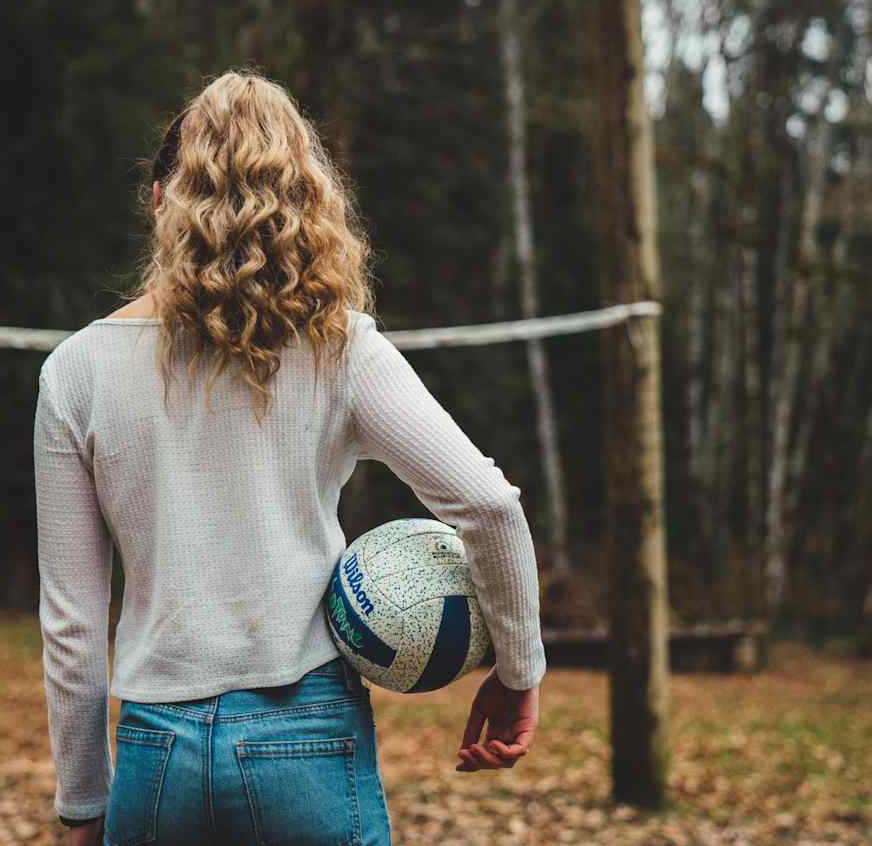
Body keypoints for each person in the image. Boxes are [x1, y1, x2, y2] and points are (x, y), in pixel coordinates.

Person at [33, 68, 546, 846]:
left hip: (154, 751)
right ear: (307, 200)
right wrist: (518, 673)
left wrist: (83, 806)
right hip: (306, 738)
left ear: (159, 199)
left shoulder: (77, 370)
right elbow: (489, 505)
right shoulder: (339, 348)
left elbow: (72, 625)